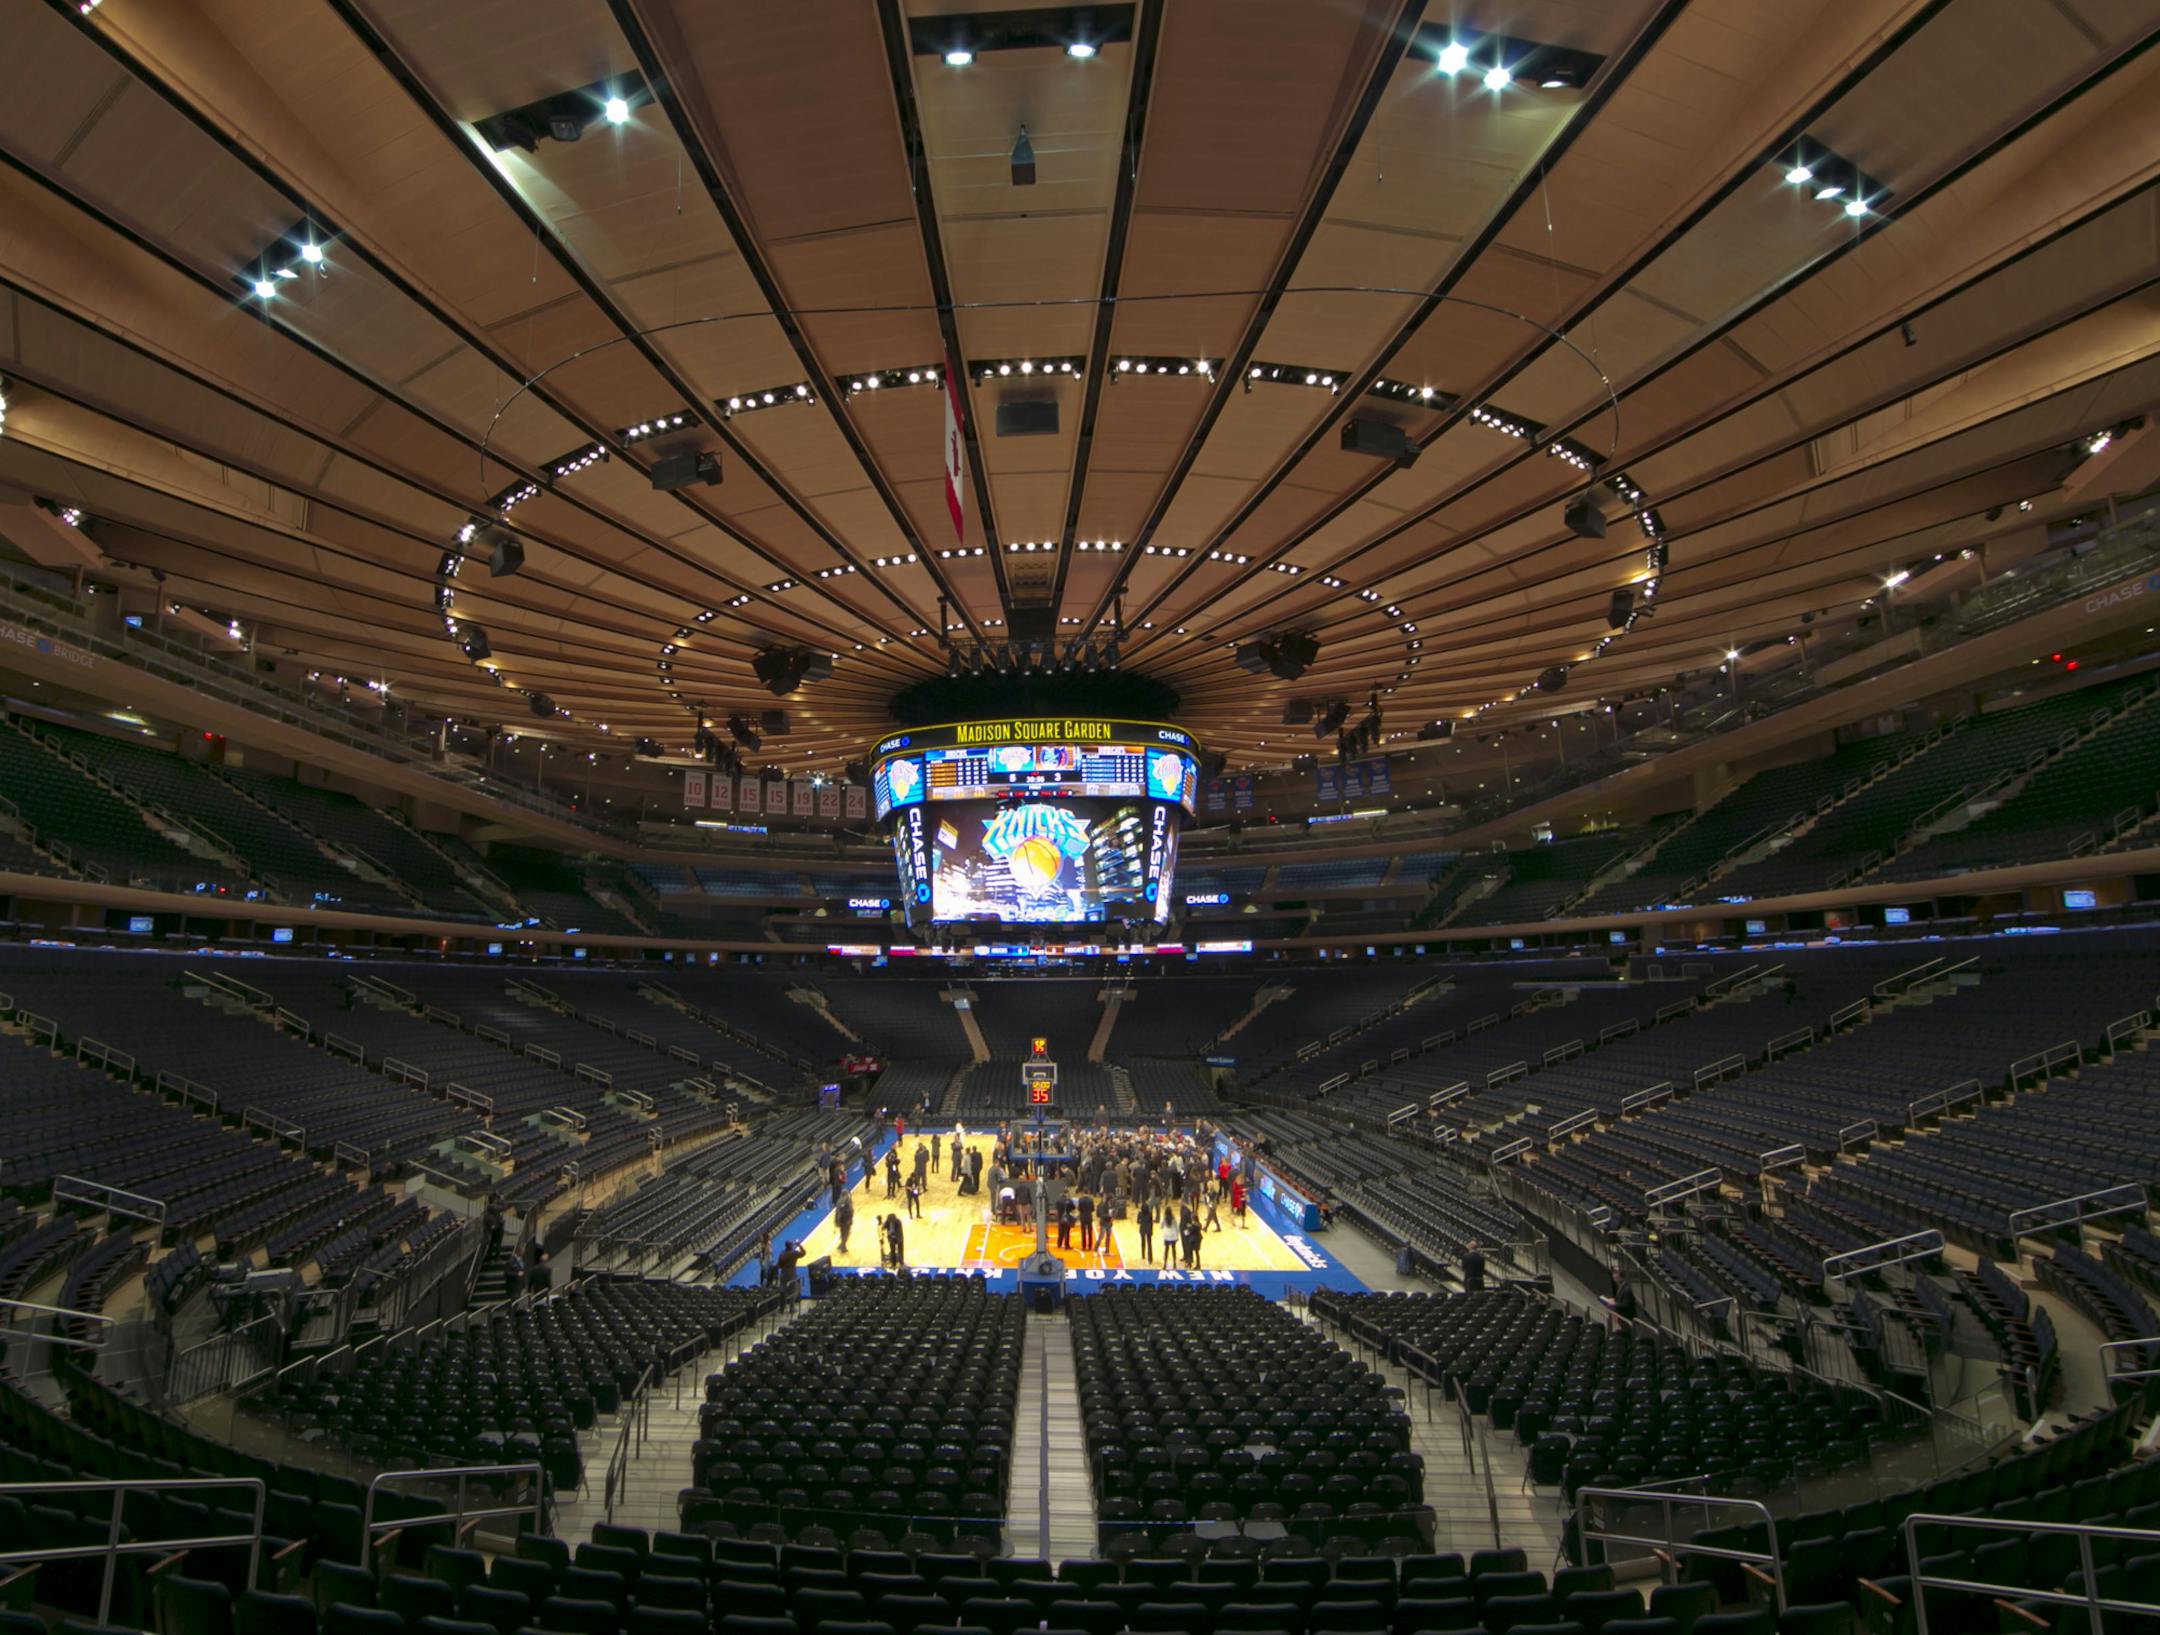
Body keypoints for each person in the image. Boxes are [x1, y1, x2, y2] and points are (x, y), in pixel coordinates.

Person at [1136, 1199, 1155, 1264]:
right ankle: (1150, 1258)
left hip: (1142, 1229)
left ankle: (1143, 1255)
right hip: (1149, 1230)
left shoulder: (1140, 1213)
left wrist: (1141, 1221)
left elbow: (1138, 1222)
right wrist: (1152, 1231)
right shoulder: (1150, 1213)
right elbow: (1151, 1223)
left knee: (1143, 1242)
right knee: (1149, 1244)